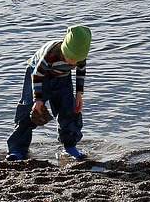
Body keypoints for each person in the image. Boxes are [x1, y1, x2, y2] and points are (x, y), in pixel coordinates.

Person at [6, 25, 92, 161]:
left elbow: (80, 72)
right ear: (65, 49)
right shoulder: (51, 53)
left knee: (69, 111)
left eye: (77, 60)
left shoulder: (80, 55)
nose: (74, 62)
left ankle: (70, 146)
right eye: (71, 58)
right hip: (38, 76)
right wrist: (38, 100)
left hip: (62, 78)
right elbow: (37, 75)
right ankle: (17, 150)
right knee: (29, 111)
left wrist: (79, 94)